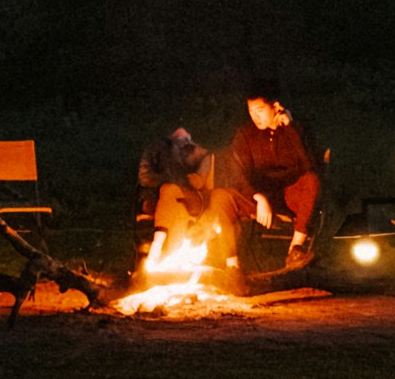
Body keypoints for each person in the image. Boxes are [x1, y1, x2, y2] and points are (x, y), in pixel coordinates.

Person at [207, 87, 327, 274]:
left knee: (312, 180)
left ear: (276, 107)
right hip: (259, 200)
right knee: (220, 196)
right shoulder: (246, 134)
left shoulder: (294, 130)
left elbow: (309, 166)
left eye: (260, 110)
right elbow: (238, 172)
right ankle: (232, 267)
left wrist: (291, 129)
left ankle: (295, 250)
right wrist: (257, 196)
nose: (255, 117)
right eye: (251, 112)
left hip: (289, 197)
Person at [136, 122, 219, 250]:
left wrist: (191, 181)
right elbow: (145, 176)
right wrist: (172, 182)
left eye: (184, 131)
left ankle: (158, 245)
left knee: (174, 196)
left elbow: (202, 177)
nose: (182, 134)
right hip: (159, 196)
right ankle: (165, 250)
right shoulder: (155, 149)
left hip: (187, 196)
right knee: (170, 193)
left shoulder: (194, 152)